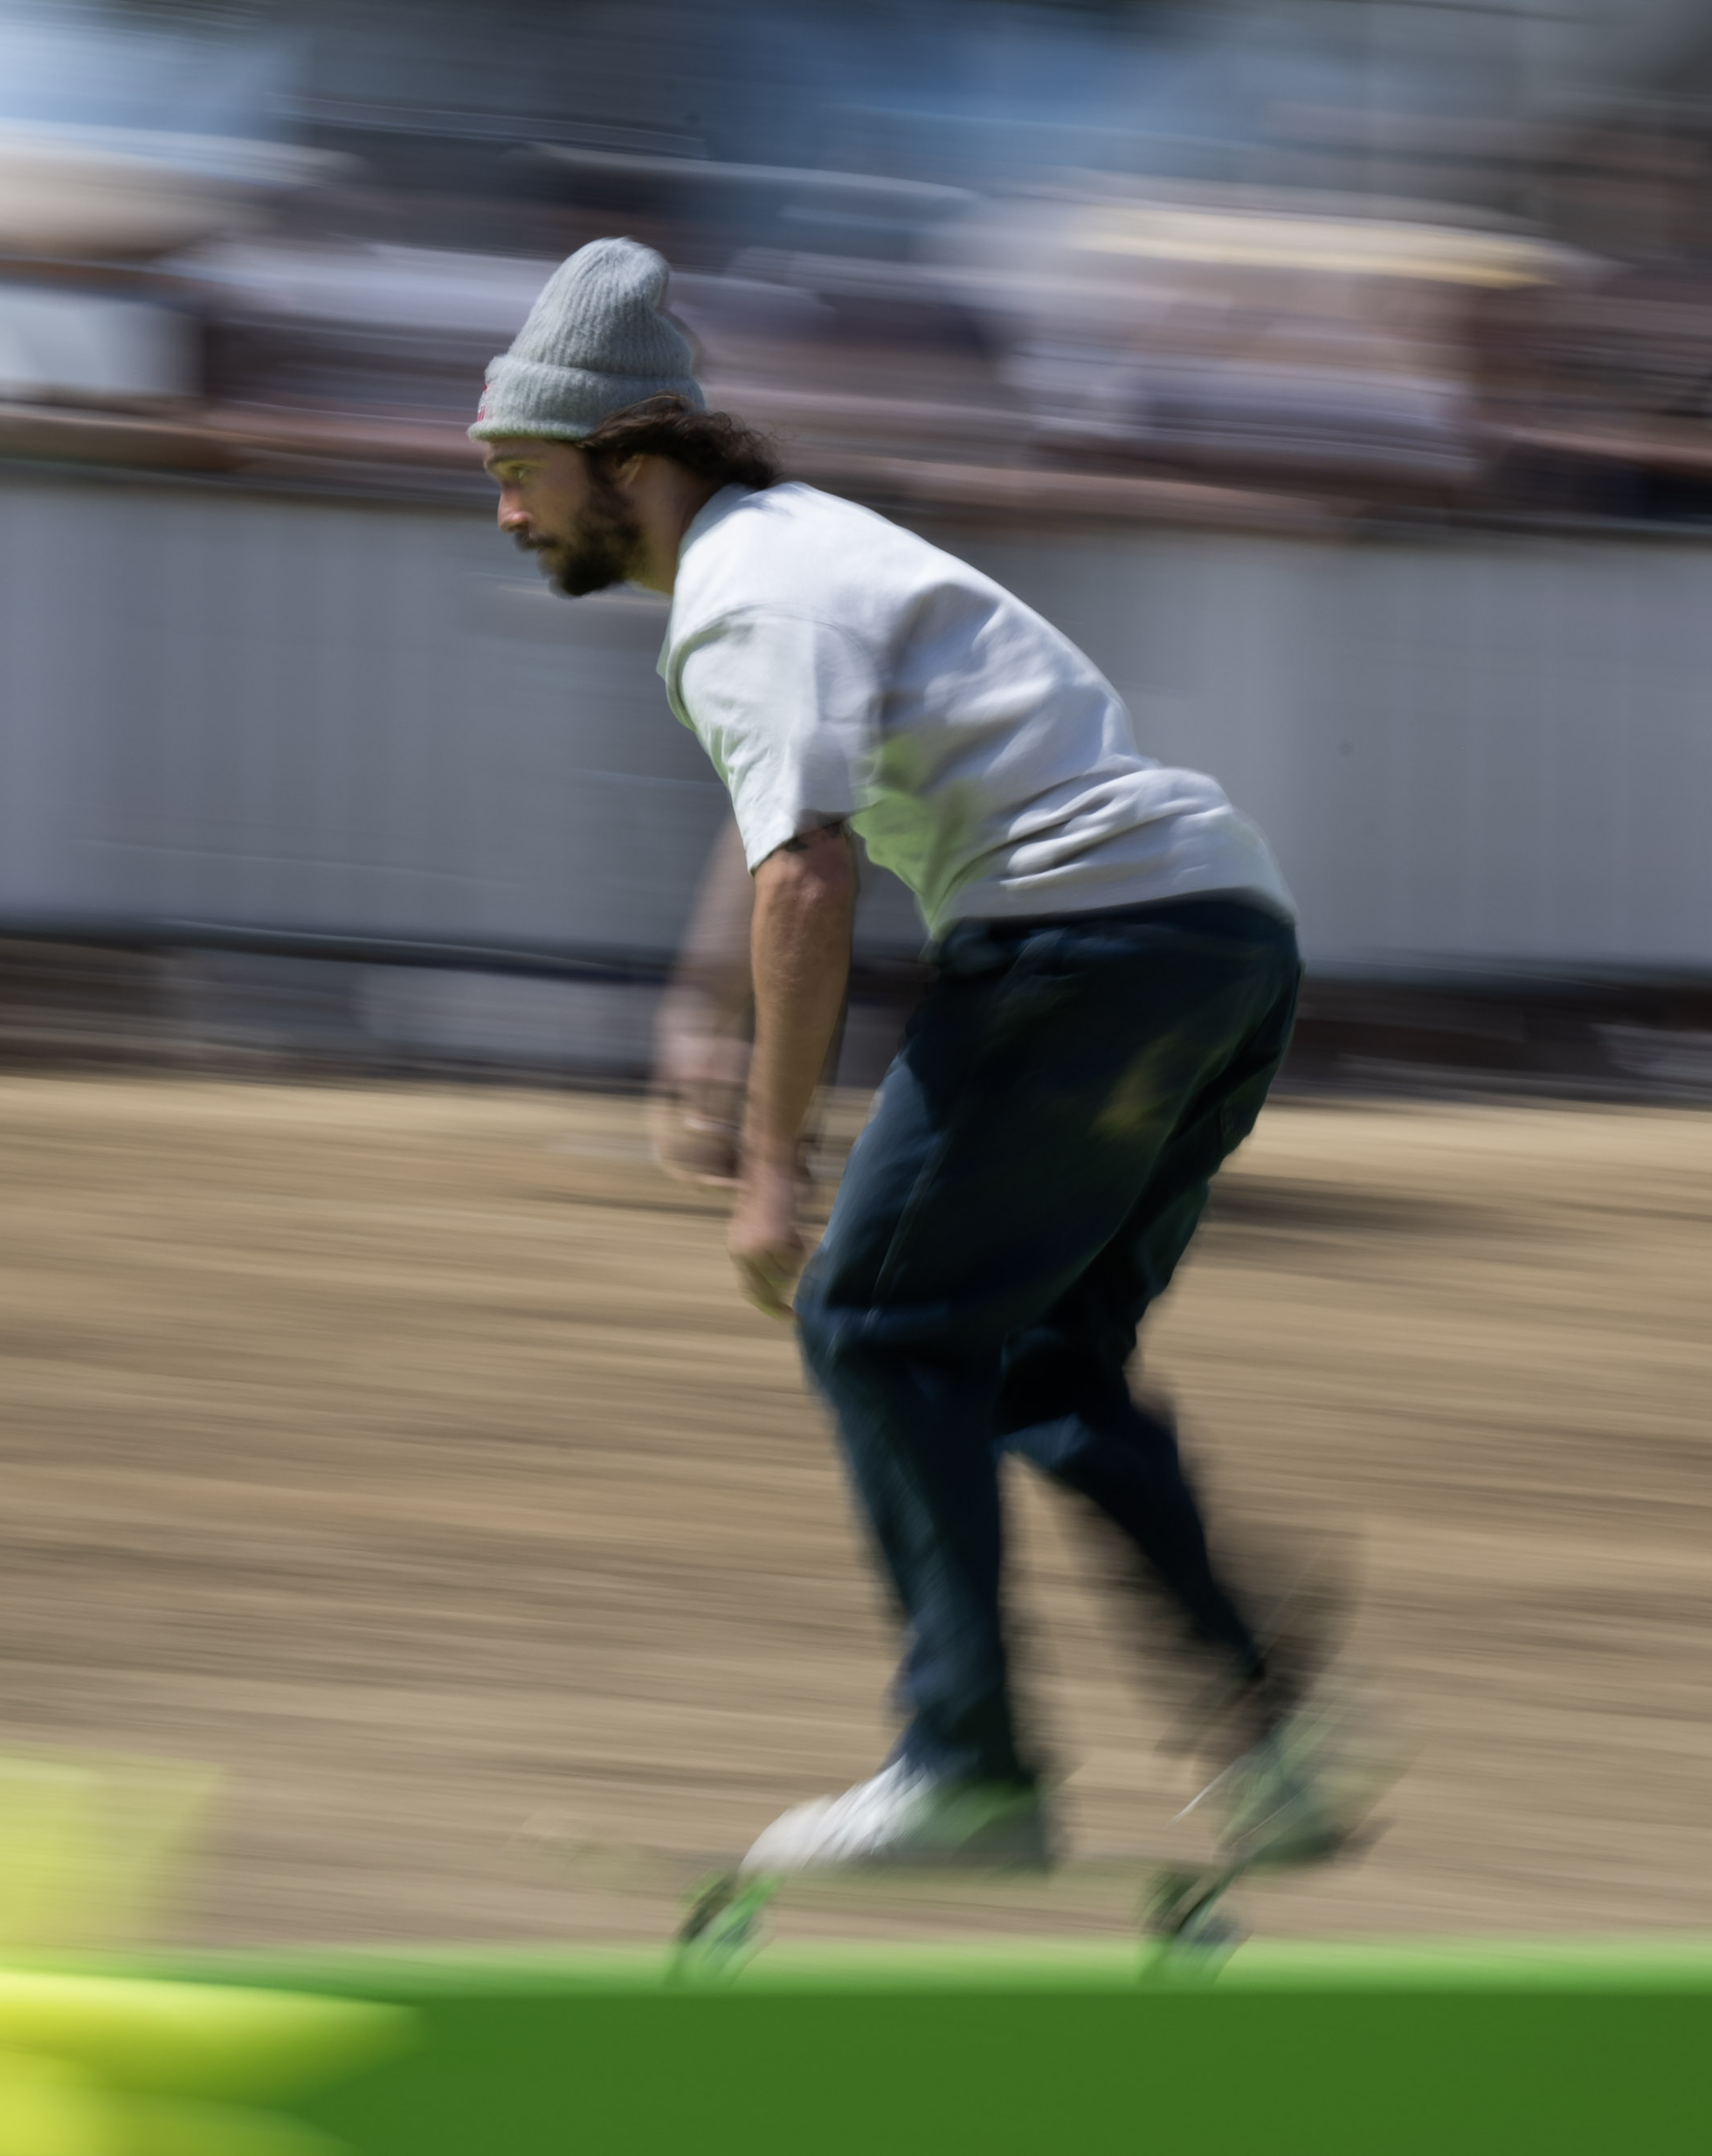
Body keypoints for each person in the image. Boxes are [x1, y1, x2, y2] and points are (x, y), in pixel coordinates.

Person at [472, 238, 1358, 1871]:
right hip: (1222, 941)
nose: (509, 516)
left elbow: (806, 874)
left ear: (628, 460)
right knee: (1044, 1369)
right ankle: (1276, 1743)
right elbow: (785, 825)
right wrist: (708, 1017)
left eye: (521, 475)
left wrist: (773, 1163)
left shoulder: (741, 598)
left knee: (873, 1328)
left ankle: (968, 1770)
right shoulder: (802, 546)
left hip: (1080, 945)